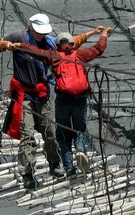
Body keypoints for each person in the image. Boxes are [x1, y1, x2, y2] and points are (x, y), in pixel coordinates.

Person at [0, 13, 103, 189]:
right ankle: (27, 173)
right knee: (27, 135)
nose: (42, 35)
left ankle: (55, 164)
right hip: (24, 95)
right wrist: (4, 44)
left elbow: (73, 42)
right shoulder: (18, 37)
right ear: (31, 27)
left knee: (50, 132)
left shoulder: (50, 42)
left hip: (42, 93)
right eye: (39, 32)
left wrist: (93, 33)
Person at [11, 25, 112, 178]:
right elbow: (99, 48)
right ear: (72, 44)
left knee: (62, 133)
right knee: (79, 128)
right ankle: (79, 150)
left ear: (57, 45)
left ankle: (69, 169)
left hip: (63, 99)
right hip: (80, 98)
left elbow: (35, 51)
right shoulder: (81, 55)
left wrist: (19, 45)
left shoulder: (54, 56)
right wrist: (103, 33)